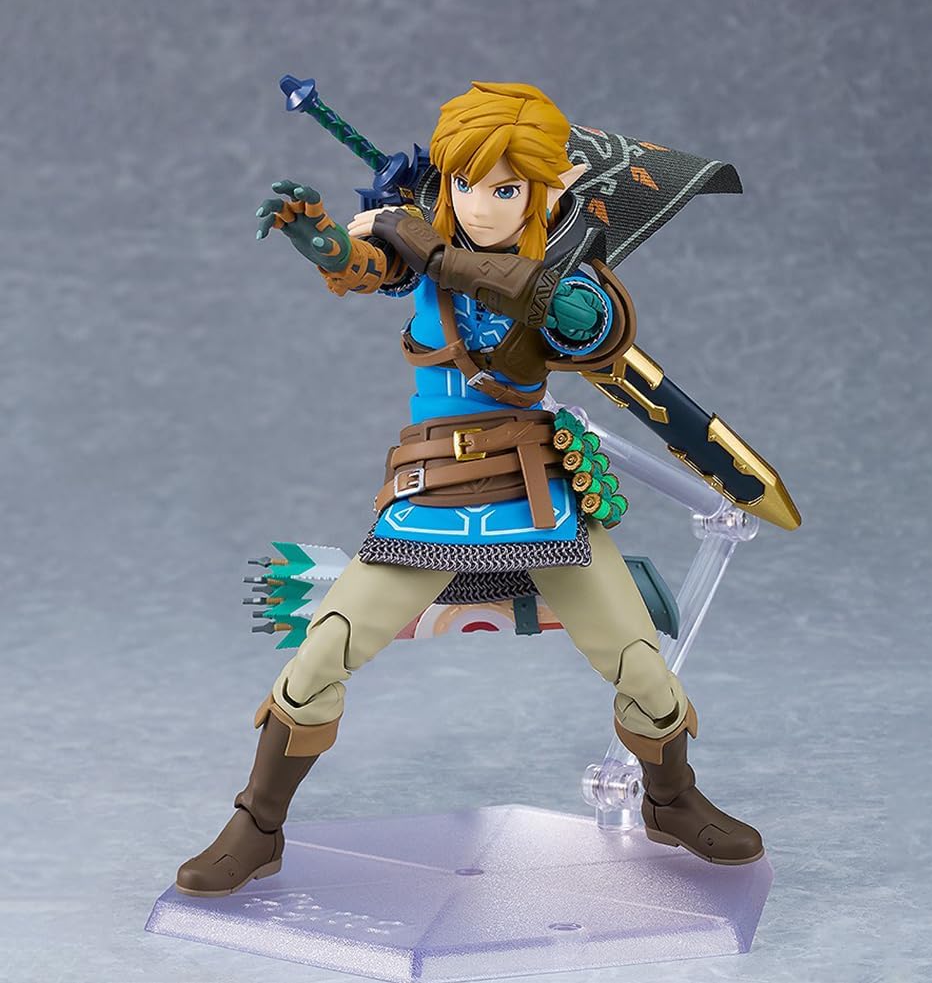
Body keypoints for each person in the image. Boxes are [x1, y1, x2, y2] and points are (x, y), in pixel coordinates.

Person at [175, 82, 763, 898]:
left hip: (540, 496)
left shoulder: (568, 279)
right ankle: (257, 823)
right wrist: (321, 239)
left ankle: (670, 799)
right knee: (319, 654)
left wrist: (432, 249)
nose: (479, 205)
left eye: (505, 189)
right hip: (431, 493)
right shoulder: (418, 257)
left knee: (641, 663)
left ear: (546, 191)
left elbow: (576, 321)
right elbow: (365, 264)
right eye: (463, 183)